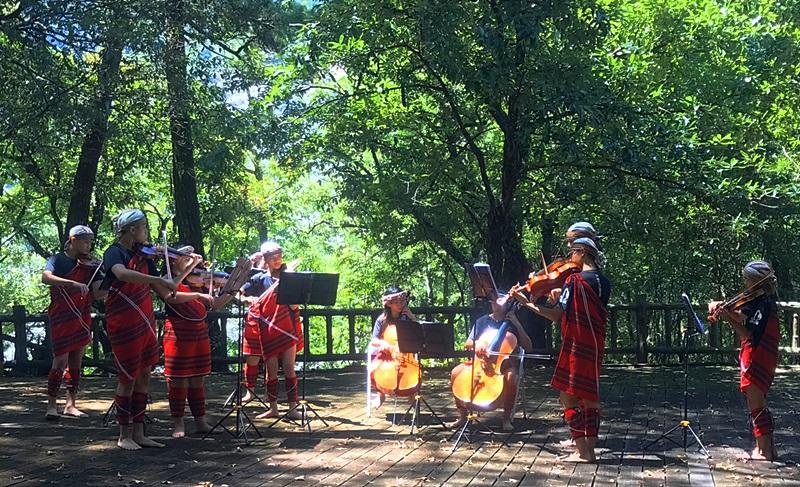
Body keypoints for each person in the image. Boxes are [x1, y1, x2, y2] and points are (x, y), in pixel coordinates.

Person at [518, 237, 610, 462]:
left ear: (582, 252)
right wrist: (561, 299)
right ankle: (589, 449)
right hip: (595, 343)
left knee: (567, 397)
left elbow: (556, 315)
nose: (569, 258)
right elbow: (587, 310)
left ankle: (583, 452)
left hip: (576, 343)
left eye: (572, 253)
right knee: (590, 396)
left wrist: (527, 303)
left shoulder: (574, 281)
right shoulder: (604, 282)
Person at [101, 209, 178, 450]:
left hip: (144, 321)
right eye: (144, 228)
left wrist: (186, 267)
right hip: (123, 321)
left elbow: (167, 291)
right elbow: (121, 274)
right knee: (128, 377)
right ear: (133, 230)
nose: (147, 233)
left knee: (144, 375)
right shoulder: (114, 252)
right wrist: (158, 280)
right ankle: (124, 435)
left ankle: (139, 432)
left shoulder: (145, 259)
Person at [156, 246, 235, 438]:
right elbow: (172, 297)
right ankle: (178, 424)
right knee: (178, 380)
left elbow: (214, 304)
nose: (191, 262)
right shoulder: (165, 278)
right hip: (177, 331)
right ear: (174, 261)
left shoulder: (198, 282)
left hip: (199, 331)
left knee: (198, 377)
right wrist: (195, 286)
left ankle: (201, 421)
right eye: (185, 259)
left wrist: (231, 290)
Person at [708, 260, 779, 461]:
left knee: (757, 404)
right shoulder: (759, 301)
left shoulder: (763, 303)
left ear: (757, 281)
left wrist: (726, 317)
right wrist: (726, 309)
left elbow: (747, 332)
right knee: (759, 403)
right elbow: (743, 316)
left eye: (747, 279)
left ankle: (764, 451)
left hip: (758, 355)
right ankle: (768, 449)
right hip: (762, 354)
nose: (745, 284)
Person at [41, 225, 105, 419]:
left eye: (90, 242)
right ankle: (51, 405)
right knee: (60, 360)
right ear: (73, 240)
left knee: (77, 360)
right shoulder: (58, 260)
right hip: (61, 314)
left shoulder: (91, 266)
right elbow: (46, 278)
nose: (89, 245)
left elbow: (98, 293)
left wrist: (108, 274)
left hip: (82, 313)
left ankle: (71, 404)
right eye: (85, 241)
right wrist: (73, 283)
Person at [450, 294, 532, 431]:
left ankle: (506, 418)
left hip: (503, 365)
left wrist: (517, 323)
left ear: (507, 304)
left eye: (499, 301)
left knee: (512, 377)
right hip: (479, 362)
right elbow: (467, 343)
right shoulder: (482, 321)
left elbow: (528, 346)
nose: (495, 303)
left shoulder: (513, 324)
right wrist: (478, 342)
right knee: (455, 372)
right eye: (493, 301)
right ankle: (462, 416)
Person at [246, 242, 303, 420]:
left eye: (280, 256)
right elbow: (241, 293)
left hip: (286, 327)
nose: (278, 260)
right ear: (265, 260)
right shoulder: (259, 279)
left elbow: (295, 306)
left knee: (289, 368)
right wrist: (248, 299)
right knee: (271, 371)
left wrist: (290, 283)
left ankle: (293, 407)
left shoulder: (288, 277)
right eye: (273, 258)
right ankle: (273, 408)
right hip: (268, 328)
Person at [368, 287, 417, 409]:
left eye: (402, 302)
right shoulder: (381, 320)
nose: (401, 305)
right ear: (389, 304)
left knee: (416, 372)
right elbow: (374, 340)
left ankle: (412, 396)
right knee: (373, 368)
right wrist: (382, 344)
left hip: (405, 353)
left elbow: (418, 332)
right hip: (386, 354)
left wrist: (412, 318)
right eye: (397, 302)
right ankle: (380, 394)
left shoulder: (407, 317)